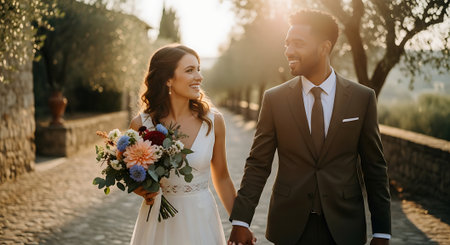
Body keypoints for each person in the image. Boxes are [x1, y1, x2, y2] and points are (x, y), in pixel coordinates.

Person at [228, 10, 391, 245]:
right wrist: (241, 221)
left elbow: (374, 167)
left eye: (298, 43)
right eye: (287, 44)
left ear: (325, 47)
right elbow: (258, 163)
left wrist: (382, 231)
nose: (289, 51)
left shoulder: (362, 98)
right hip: (289, 226)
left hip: (344, 226)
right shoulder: (274, 99)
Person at [128, 44, 237, 245]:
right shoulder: (142, 125)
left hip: (201, 218)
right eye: (189, 70)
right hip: (158, 222)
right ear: (168, 79)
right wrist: (139, 188)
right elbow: (131, 173)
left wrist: (240, 224)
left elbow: (222, 178)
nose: (199, 77)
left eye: (198, 69)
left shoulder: (214, 122)